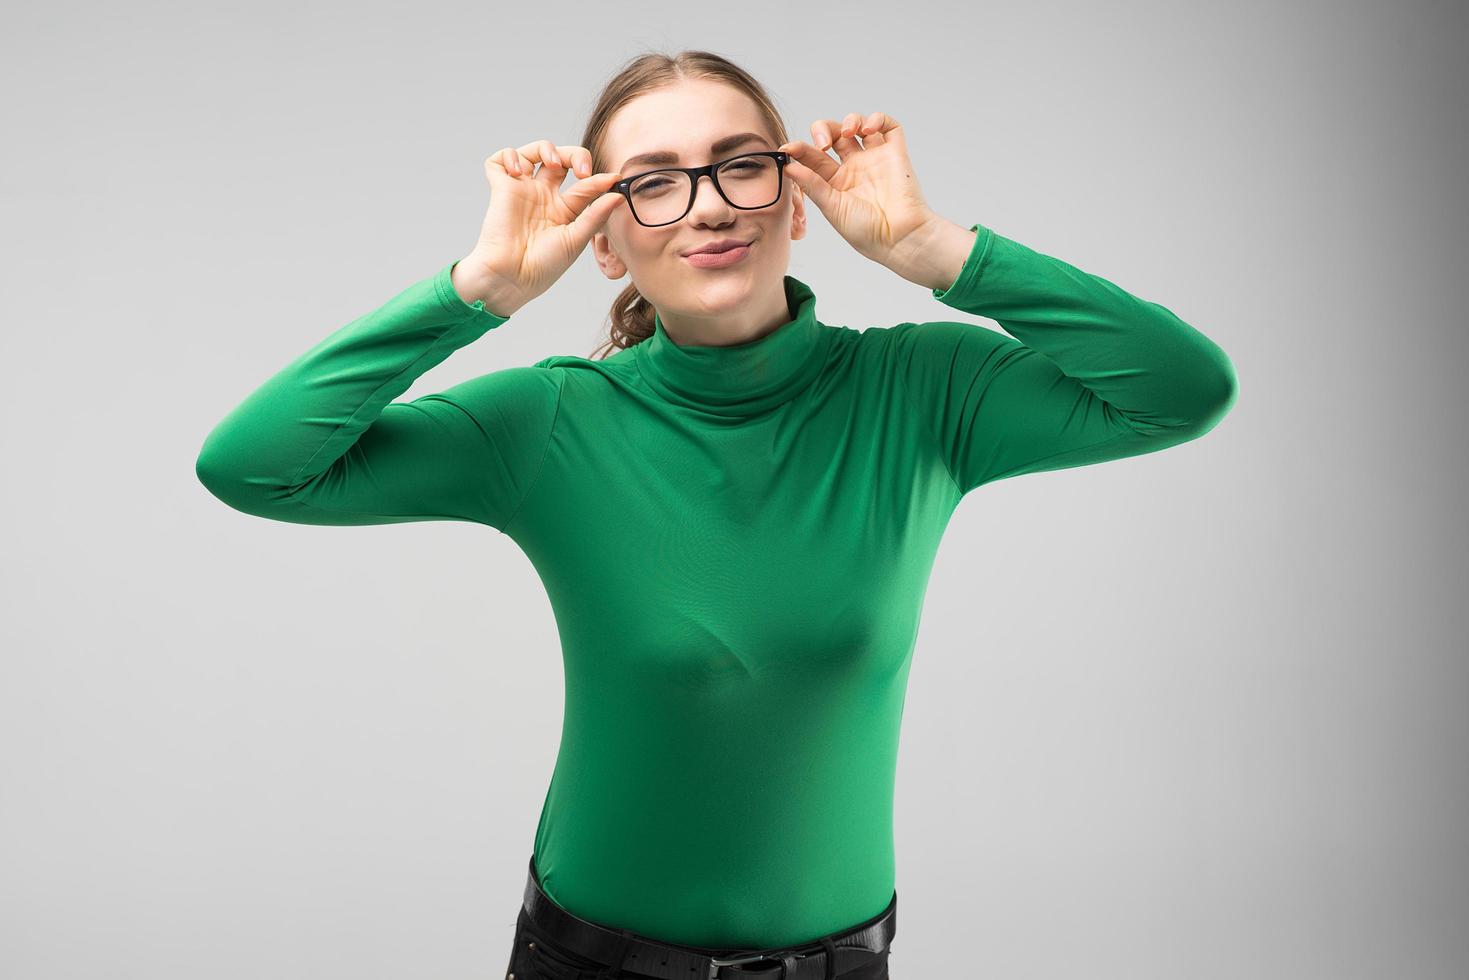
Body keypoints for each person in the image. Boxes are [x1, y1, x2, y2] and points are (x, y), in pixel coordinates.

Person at [195, 48, 1237, 980]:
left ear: (792, 200)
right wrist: (477, 290)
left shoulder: (925, 389)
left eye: (740, 163)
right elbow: (252, 465)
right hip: (589, 963)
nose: (705, 204)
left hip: (844, 965)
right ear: (603, 241)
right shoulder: (551, 419)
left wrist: (935, 249)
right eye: (651, 182)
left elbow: (1182, 389)